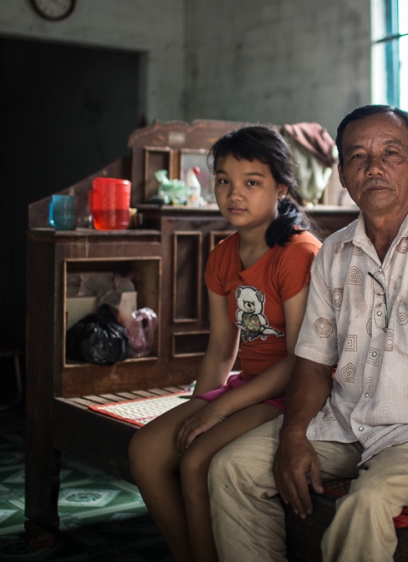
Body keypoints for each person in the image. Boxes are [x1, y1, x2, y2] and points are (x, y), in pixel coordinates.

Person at [208, 105, 408, 562]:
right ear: (342, 173)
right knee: (231, 469)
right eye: (358, 157)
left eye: (391, 153)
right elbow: (314, 359)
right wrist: (294, 434)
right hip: (348, 421)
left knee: (364, 505)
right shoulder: (334, 254)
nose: (374, 168)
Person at [128, 126, 322, 562]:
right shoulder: (221, 256)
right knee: (147, 450)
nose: (235, 194)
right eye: (223, 180)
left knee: (198, 460)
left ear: (281, 187)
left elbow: (301, 360)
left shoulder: (298, 253)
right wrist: (196, 409)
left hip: (295, 391)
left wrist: (217, 411)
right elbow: (220, 350)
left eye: (252, 182)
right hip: (251, 385)